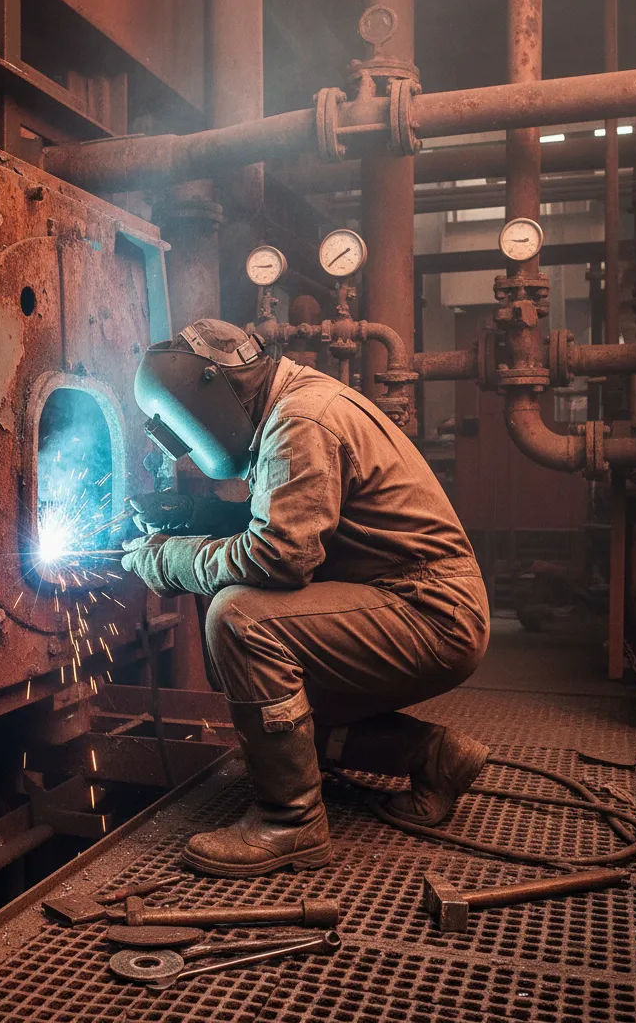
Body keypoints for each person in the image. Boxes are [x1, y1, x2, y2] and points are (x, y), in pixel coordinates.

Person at [121, 318, 490, 878]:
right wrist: (196, 516)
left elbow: (279, 556)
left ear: (212, 394)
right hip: (410, 599)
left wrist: (168, 560)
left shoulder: (299, 419)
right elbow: (301, 518)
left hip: (431, 612)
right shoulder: (296, 399)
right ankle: (432, 757)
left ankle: (290, 823)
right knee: (274, 707)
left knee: (241, 620)